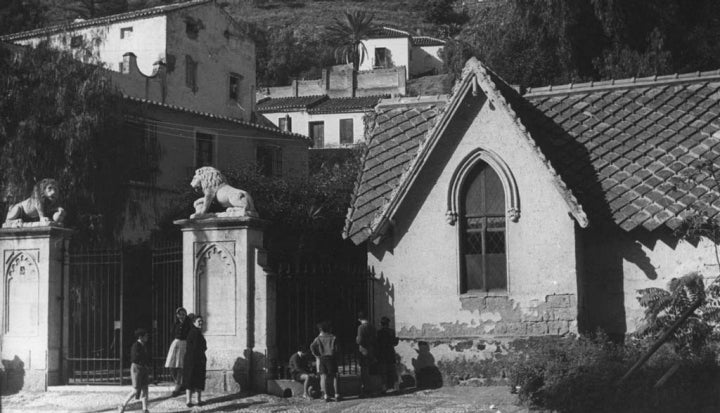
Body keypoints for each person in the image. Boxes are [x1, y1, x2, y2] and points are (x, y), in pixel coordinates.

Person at [120, 328, 151, 413]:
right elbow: (134, 358)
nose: (147, 337)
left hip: (143, 368)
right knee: (136, 389)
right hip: (137, 368)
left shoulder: (144, 345)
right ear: (140, 337)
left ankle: (145, 409)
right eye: (145, 336)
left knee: (145, 388)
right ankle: (123, 404)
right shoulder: (136, 346)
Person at [310, 321, 341, 402]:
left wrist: (316, 355)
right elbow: (337, 349)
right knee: (334, 377)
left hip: (322, 358)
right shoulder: (333, 337)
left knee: (323, 377)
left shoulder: (318, 339)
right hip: (331, 357)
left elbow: (312, 347)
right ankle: (337, 394)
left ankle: (326, 395)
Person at [164, 306, 191, 396]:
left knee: (180, 367)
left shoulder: (188, 324)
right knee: (171, 366)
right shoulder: (175, 324)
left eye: (183, 314)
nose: (181, 316)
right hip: (175, 344)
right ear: (177, 315)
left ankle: (178, 387)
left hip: (184, 345)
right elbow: (172, 333)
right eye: (180, 314)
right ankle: (178, 382)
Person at [183, 314, 207, 408]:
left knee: (192, 379)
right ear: (194, 323)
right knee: (194, 379)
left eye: (201, 321)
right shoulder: (195, 332)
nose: (201, 323)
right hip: (194, 360)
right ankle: (193, 400)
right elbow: (197, 347)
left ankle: (193, 400)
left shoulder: (196, 332)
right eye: (198, 321)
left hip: (193, 360)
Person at [377, 316, 400, 393]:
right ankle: (396, 386)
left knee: (384, 371)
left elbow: (378, 344)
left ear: (381, 324)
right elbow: (394, 342)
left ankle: (384, 387)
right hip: (390, 353)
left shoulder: (379, 332)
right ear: (388, 324)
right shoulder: (392, 332)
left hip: (382, 353)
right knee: (392, 370)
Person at [356, 311, 377, 397]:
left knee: (364, 371)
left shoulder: (361, 327)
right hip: (371, 349)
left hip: (363, 350)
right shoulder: (372, 326)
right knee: (369, 370)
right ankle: (370, 389)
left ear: (359, 319)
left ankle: (366, 390)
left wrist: (357, 339)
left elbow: (360, 340)